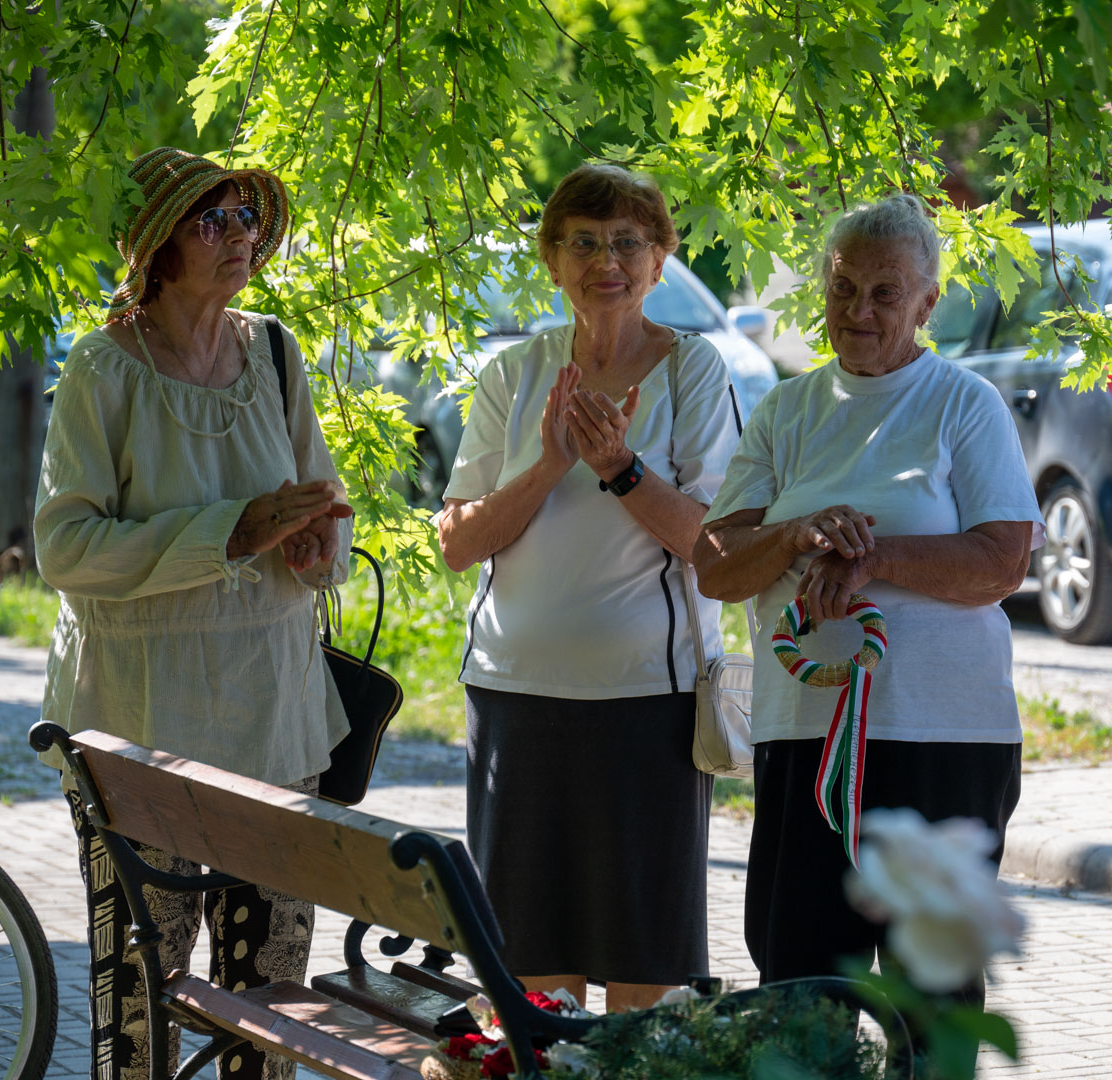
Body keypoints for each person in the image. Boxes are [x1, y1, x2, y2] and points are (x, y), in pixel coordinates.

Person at [34, 148, 353, 1080]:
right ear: (156, 251)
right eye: (211, 220)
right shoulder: (103, 368)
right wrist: (230, 531)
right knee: (141, 1011)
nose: (239, 236)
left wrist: (313, 548)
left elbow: (321, 510)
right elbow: (66, 549)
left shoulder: (277, 352)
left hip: (274, 732)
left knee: (270, 1015)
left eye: (245, 216)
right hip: (141, 742)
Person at [693, 194, 1042, 1002]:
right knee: (798, 983)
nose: (858, 310)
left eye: (885, 293)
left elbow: (1000, 563)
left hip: (940, 735)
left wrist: (869, 558)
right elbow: (715, 567)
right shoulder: (786, 409)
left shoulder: (963, 403)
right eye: (842, 288)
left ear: (926, 303)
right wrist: (796, 534)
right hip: (804, 734)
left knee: (932, 992)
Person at [435, 164, 742, 1013]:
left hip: (647, 705)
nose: (605, 262)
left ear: (658, 260)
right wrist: (549, 466)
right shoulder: (513, 373)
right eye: (582, 243)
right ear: (551, 259)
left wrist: (619, 467)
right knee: (532, 979)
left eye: (626, 243)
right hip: (515, 698)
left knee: (642, 974)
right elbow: (458, 543)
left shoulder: (692, 371)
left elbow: (712, 544)